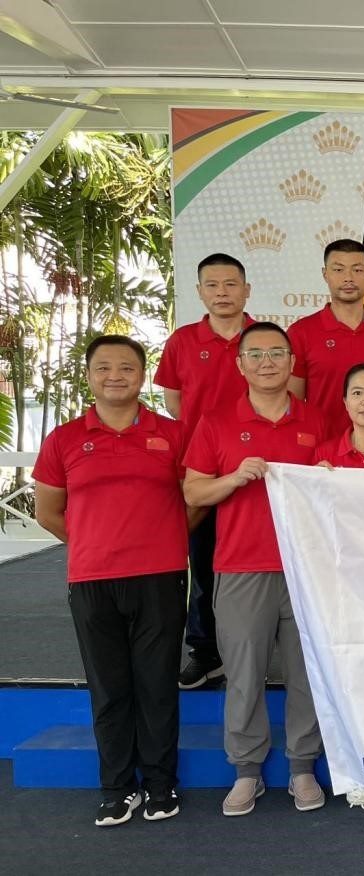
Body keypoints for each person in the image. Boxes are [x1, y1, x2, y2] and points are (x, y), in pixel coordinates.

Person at [33, 335, 190, 827]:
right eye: (103, 367)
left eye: (126, 366)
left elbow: (195, 500)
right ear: (89, 376)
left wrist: (161, 538)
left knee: (157, 685)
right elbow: (48, 511)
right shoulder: (64, 439)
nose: (115, 375)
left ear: (142, 375)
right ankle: (118, 788)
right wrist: (95, 542)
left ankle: (161, 784)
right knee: (109, 687)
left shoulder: (173, 434)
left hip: (160, 576)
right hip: (93, 579)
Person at [182, 321, 327, 817]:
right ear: (240, 364)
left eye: (277, 353)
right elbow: (193, 491)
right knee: (244, 675)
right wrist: (233, 478)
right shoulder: (216, 422)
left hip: (307, 570)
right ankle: (247, 770)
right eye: (257, 354)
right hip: (242, 567)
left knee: (307, 674)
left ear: (292, 362)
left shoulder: (317, 420)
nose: (268, 363)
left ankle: (303, 766)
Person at [154, 252, 255, 691]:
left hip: (257, 471)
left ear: (247, 290)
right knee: (203, 562)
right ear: (199, 292)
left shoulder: (264, 339)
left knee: (260, 567)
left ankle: (259, 650)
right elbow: (176, 403)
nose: (222, 292)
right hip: (202, 471)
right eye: (212, 285)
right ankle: (205, 651)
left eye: (231, 284)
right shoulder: (182, 341)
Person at [288, 239, 364, 438]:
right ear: (325, 274)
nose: (348, 278)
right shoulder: (301, 333)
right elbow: (294, 403)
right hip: (323, 447)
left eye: (357, 270)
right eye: (339, 270)